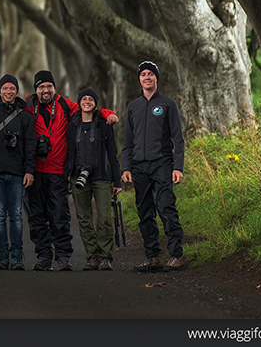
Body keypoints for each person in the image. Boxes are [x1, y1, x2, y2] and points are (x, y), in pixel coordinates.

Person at [22, 70, 117, 271]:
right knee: (37, 216)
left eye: (49, 86)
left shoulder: (66, 105)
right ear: (36, 89)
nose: (45, 90)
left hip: (58, 170)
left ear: (54, 88)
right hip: (35, 170)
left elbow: (89, 108)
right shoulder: (28, 106)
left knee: (60, 215)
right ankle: (44, 256)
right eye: (41, 87)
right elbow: (9, 108)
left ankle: (63, 256)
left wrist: (109, 114)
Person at [121, 60, 186, 272]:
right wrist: (126, 168)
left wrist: (178, 167)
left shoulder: (168, 104)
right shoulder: (133, 107)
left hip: (162, 164)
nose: (147, 77)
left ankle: (176, 255)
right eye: (143, 74)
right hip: (139, 167)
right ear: (139, 79)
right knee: (144, 212)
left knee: (166, 206)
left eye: (150, 74)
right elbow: (128, 142)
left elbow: (179, 139)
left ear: (156, 78)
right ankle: (153, 257)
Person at [0, 74, 36, 270]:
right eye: (5, 88)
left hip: (18, 173)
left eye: (12, 88)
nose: (8, 92)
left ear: (16, 91)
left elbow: (30, 145)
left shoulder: (25, 115)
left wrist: (29, 170)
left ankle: (17, 255)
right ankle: (2, 255)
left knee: (16, 215)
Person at [66, 87, 122, 270]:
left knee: (104, 217)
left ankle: (105, 256)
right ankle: (92, 255)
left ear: (96, 103)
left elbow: (113, 153)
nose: (87, 101)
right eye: (84, 99)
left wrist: (117, 180)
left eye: (91, 99)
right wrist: (67, 174)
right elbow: (68, 151)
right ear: (79, 102)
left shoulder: (104, 123)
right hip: (77, 176)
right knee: (84, 218)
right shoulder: (73, 123)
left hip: (102, 177)